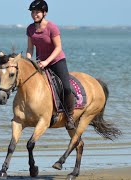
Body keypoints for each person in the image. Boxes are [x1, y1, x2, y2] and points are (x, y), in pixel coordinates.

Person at [26, 0, 75, 130]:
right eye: (33, 12)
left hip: (56, 61)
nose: (34, 14)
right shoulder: (30, 28)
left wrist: (47, 62)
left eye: (37, 12)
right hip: (39, 62)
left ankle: (69, 116)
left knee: (65, 87)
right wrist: (28, 60)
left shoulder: (52, 27)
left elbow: (58, 47)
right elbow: (30, 49)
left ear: (44, 13)